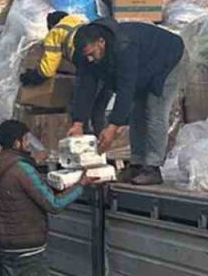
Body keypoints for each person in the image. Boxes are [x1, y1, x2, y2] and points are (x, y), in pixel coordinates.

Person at [0, 120, 90, 276]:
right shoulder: (22, 169)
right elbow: (54, 204)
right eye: (26, 139)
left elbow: (26, 195)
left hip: (7, 249)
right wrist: (81, 185)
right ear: (17, 142)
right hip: (31, 252)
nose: (29, 143)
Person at [66, 18, 185, 185]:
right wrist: (77, 122)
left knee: (154, 111)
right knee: (137, 111)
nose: (91, 59)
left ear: (102, 42)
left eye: (93, 54)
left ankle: (153, 167)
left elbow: (126, 88)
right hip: (142, 66)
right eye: (87, 56)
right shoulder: (85, 55)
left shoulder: (123, 46)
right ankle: (137, 163)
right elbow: (85, 87)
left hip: (166, 59)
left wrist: (113, 126)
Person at [18, 10, 89, 87]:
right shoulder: (77, 20)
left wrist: (32, 76)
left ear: (51, 25)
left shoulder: (55, 32)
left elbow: (48, 69)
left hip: (83, 55)